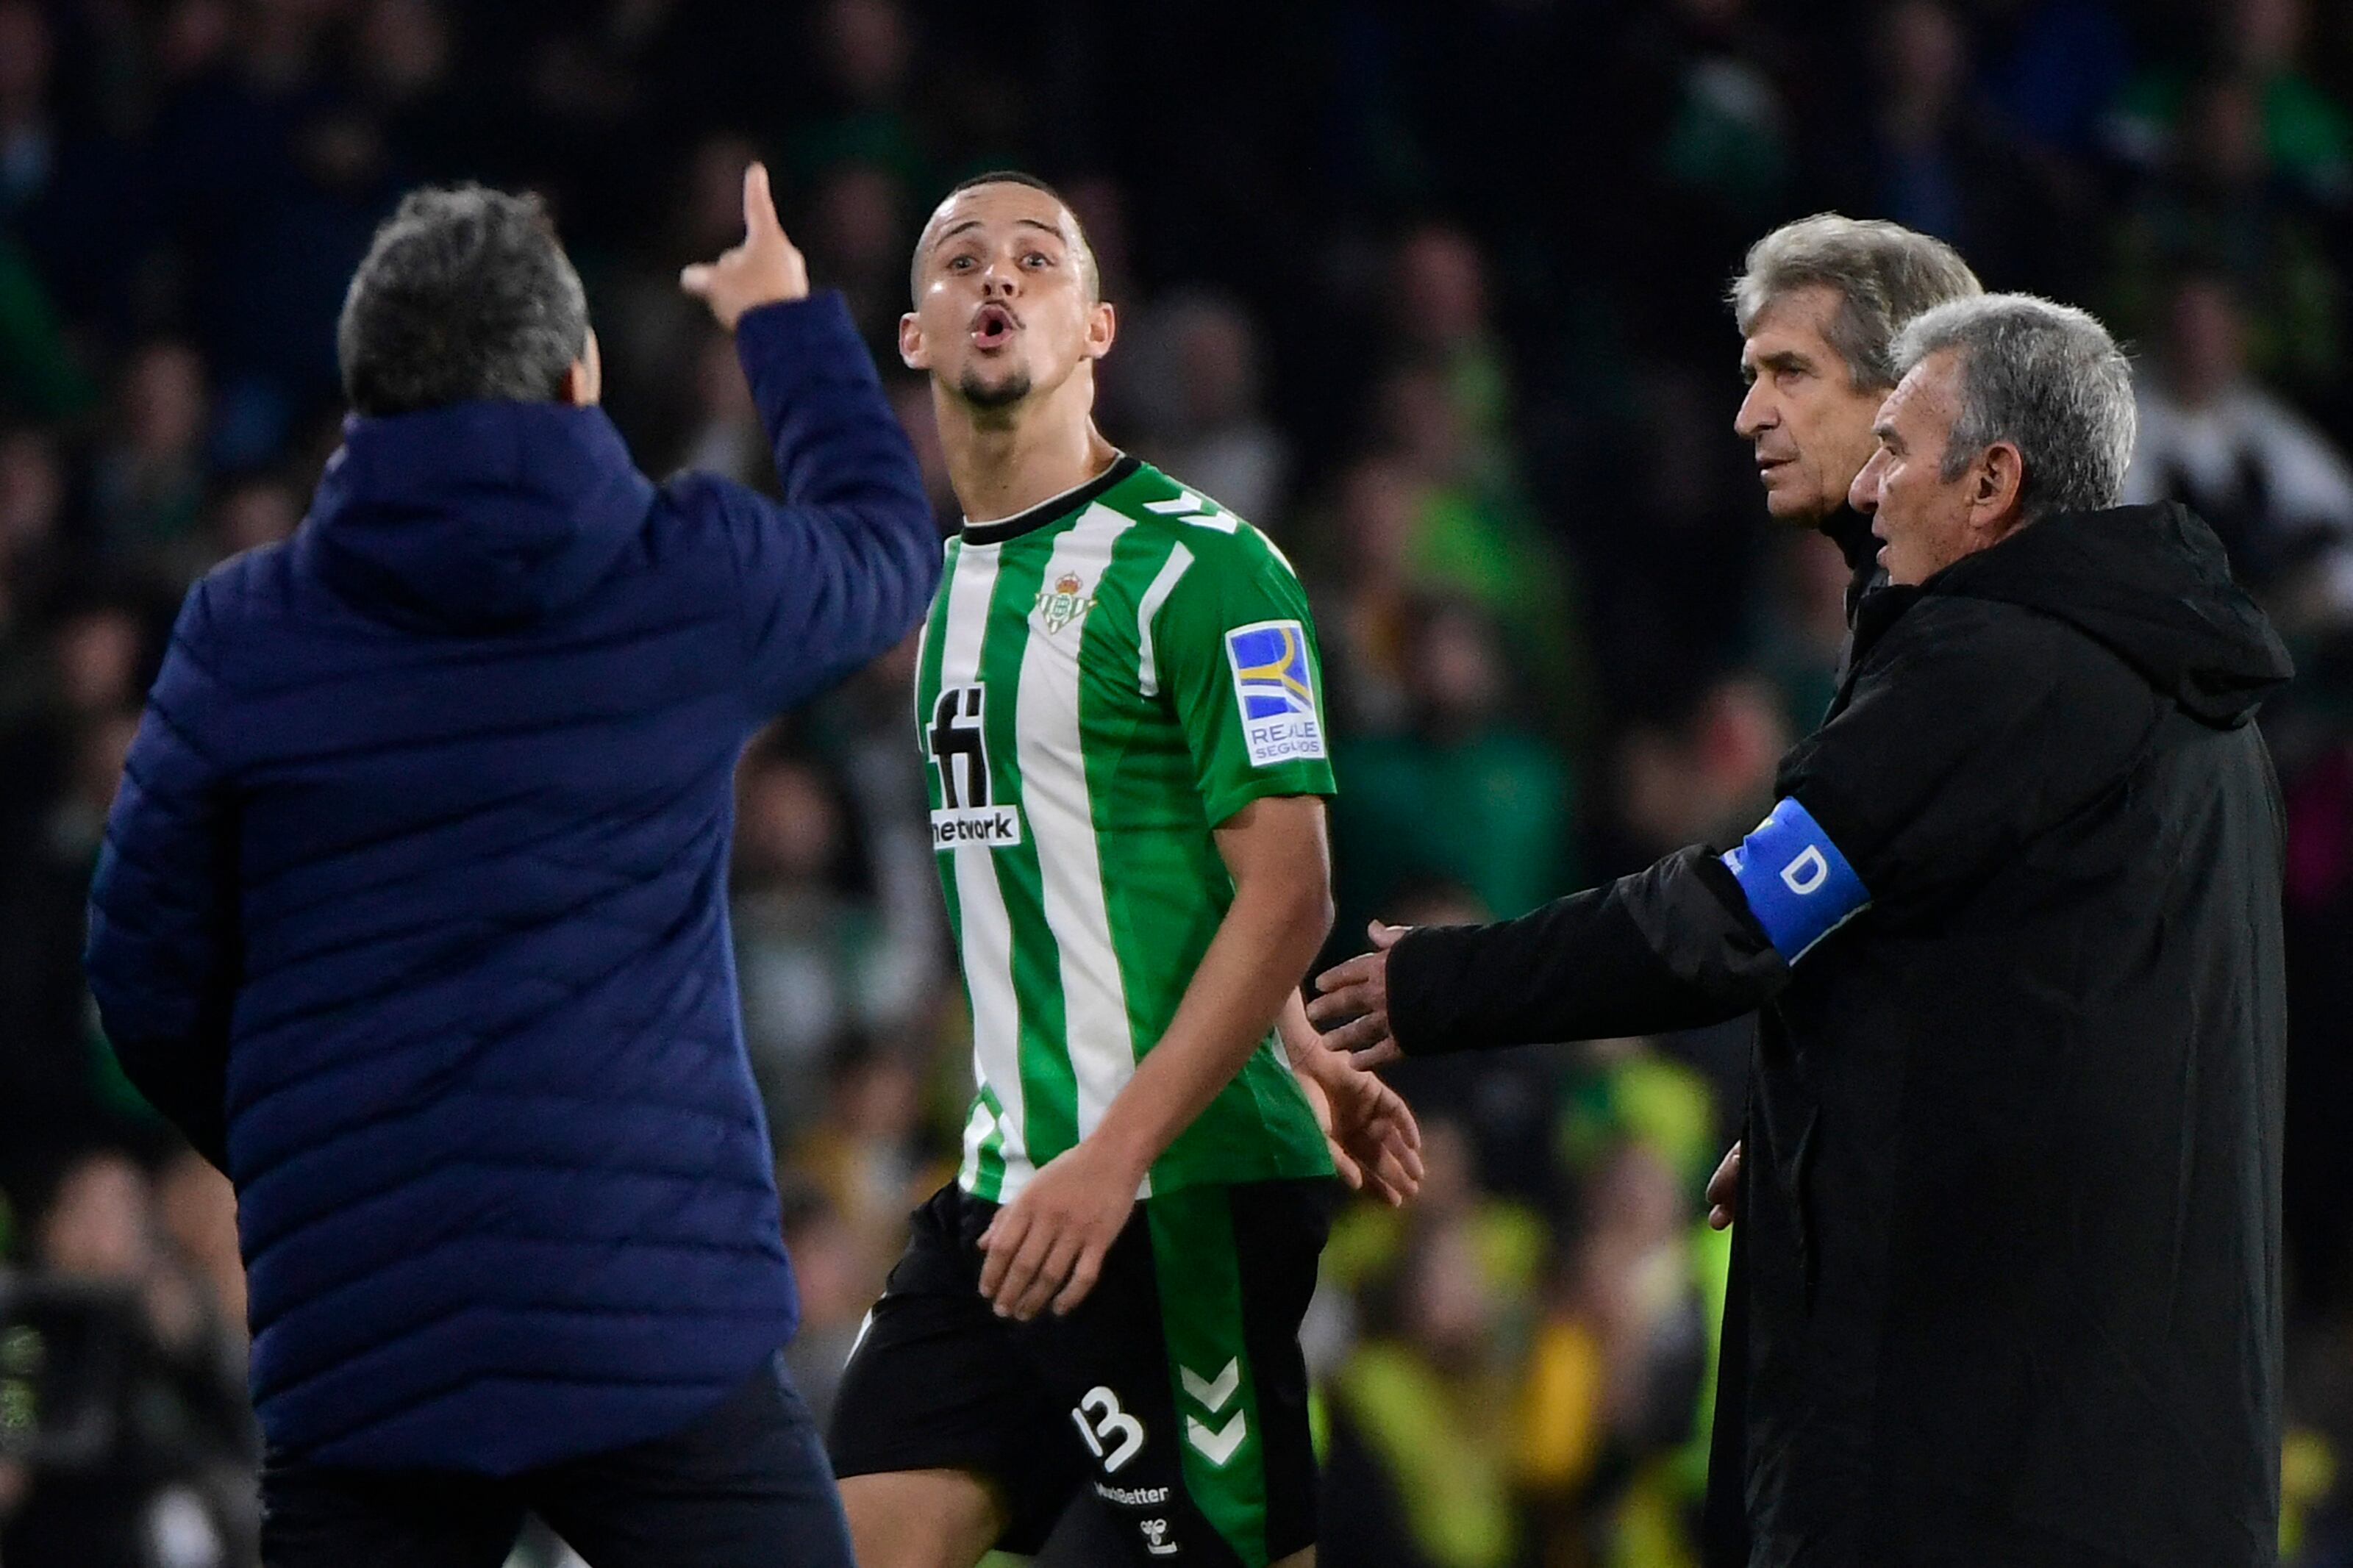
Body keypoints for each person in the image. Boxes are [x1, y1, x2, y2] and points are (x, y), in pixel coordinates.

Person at [1312, 296, 2292, 1566]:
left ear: (1995, 482)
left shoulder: (1990, 665)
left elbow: (1731, 918)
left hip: (1988, 1457)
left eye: (1896, 446)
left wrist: (1440, 981)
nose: (1868, 489)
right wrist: (1808, 1125)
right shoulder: (2204, 714)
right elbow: (2037, 1012)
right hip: (2168, 1451)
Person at [82, 168, 940, 1567]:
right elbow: (891, 549)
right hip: (648, 1323)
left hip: (364, 1344)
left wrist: (315, 1150)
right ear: (575, 375)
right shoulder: (688, 575)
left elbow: (141, 973)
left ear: (364, 400)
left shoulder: (244, 635)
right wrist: (783, 321)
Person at [826, 171, 1424, 1568]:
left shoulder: (1208, 571)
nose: (997, 279)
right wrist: (1293, 1047)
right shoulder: (948, 592)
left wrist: (1122, 1154)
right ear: (914, 334)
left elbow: (1289, 890)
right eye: (960, 260)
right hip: (1011, 1195)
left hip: (1175, 1193)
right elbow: (1149, 895)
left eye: (1038, 261)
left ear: (1098, 326)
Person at [1731, 212, 1981, 664]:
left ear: (1908, 390)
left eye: (1790, 371)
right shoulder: (1898, 602)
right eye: (1753, 377)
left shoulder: (1959, 629)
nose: (1748, 419)